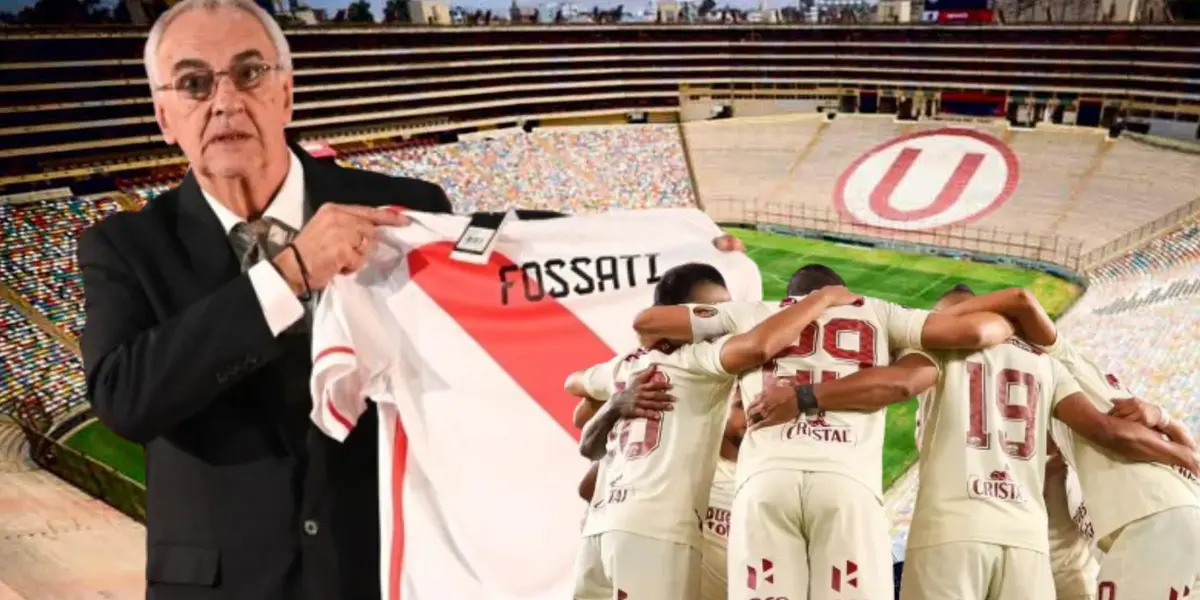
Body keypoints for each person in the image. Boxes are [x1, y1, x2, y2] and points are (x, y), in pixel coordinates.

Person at [77, 1, 451, 598]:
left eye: (249, 73)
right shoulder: (125, 247)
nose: (225, 101)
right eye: (195, 83)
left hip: (379, 575)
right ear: (164, 116)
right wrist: (289, 274)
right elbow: (123, 398)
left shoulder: (405, 211)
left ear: (286, 93)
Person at [633, 264, 1024, 600]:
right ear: (846, 294)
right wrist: (1019, 318)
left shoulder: (756, 313)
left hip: (764, 484)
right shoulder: (880, 313)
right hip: (846, 483)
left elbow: (647, 324)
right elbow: (978, 332)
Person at [567, 263, 864, 600]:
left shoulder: (624, 366)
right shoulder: (703, 363)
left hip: (602, 530)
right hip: (657, 533)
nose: (723, 318)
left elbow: (578, 405)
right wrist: (820, 299)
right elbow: (758, 346)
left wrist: (614, 403)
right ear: (681, 317)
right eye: (711, 310)